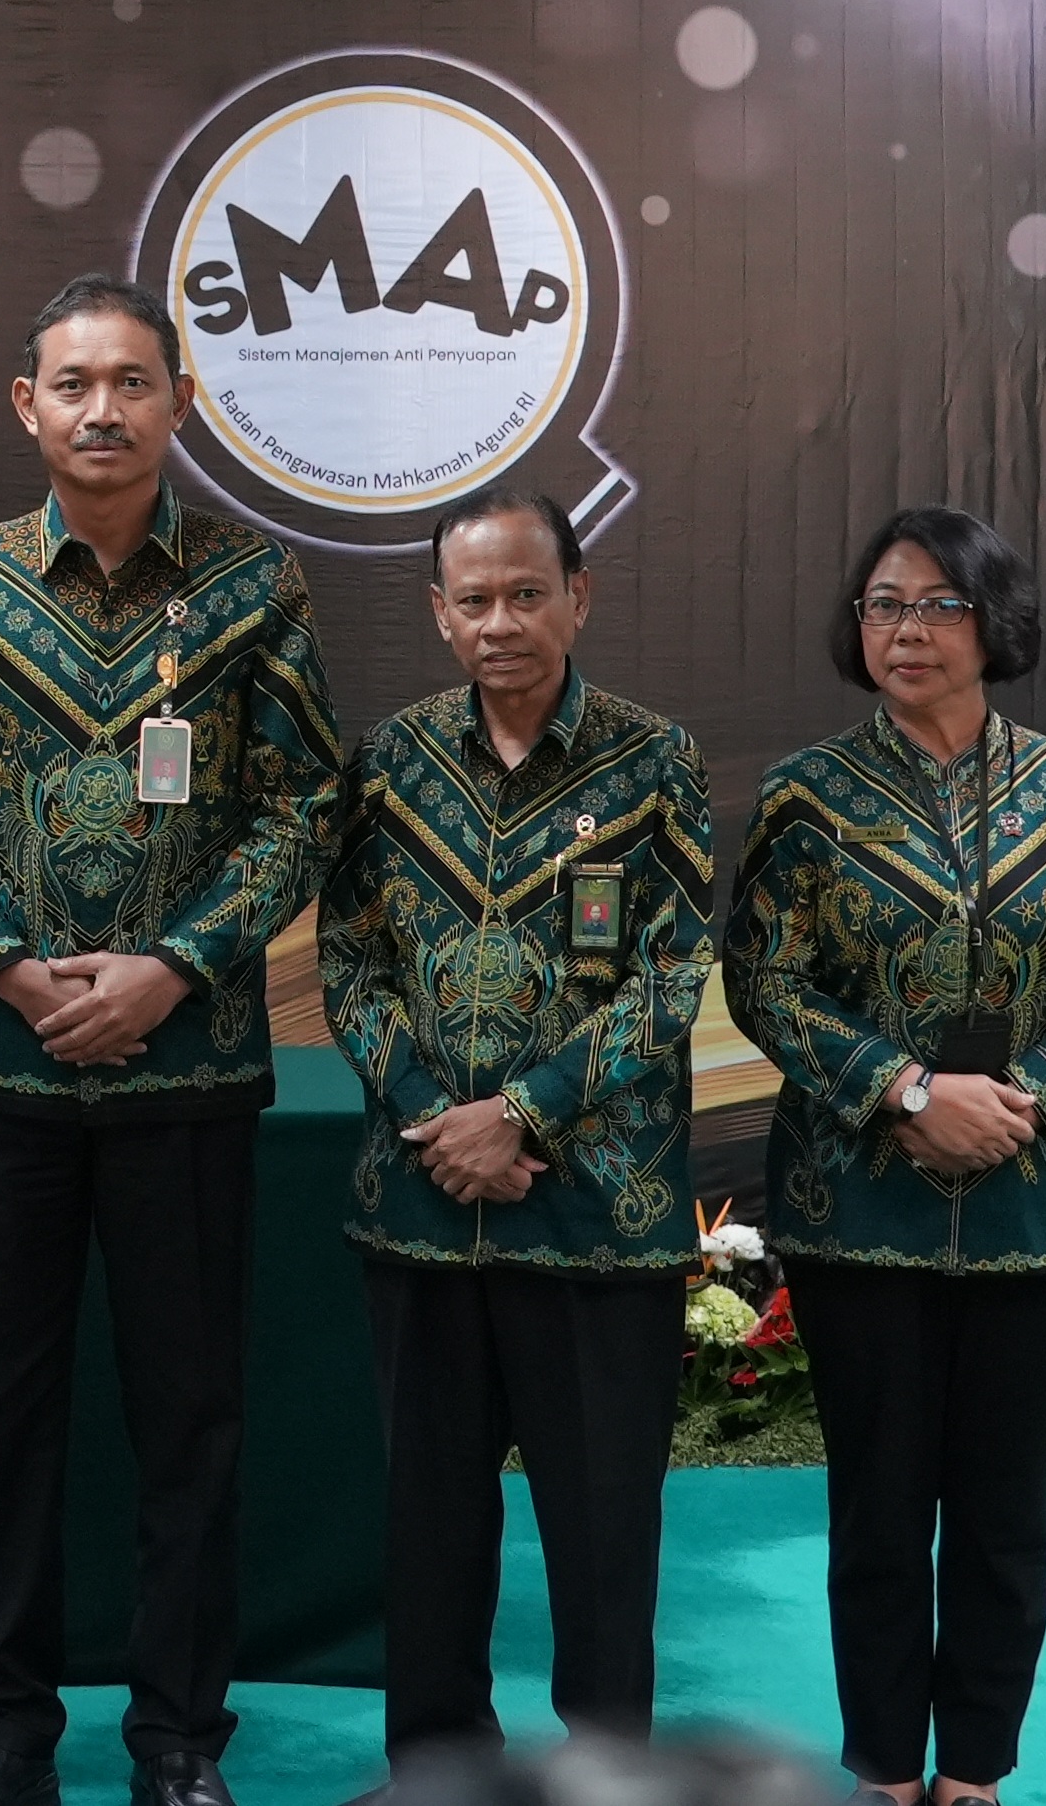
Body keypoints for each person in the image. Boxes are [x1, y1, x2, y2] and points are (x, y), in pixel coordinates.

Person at [0, 276, 340, 1806]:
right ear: (25, 406)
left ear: (178, 402)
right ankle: (0, 1734)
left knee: (188, 1425)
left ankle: (177, 1741)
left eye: (131, 383)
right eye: (71, 385)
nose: (101, 411)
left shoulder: (254, 585)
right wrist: (5, 969)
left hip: (182, 1075)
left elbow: (303, 809)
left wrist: (172, 969)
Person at [727, 508, 1046, 1806]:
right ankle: (880, 1768)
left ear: (994, 623)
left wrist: (1021, 1098)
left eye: (934, 605)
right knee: (875, 1510)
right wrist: (904, 1090)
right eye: (881, 605)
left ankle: (973, 1771)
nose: (904, 630)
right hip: (860, 1207)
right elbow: (763, 979)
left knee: (1003, 1513)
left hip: (1042, 1208)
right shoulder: (808, 796)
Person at [313, 488, 708, 1781]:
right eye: (473, 600)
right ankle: (435, 1773)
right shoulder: (390, 762)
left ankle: (608, 1778)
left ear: (576, 598)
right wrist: (436, 1121)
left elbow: (670, 977)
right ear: (438, 613)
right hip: (423, 1209)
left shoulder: (654, 761)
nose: (500, 623)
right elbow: (349, 961)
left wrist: (523, 1112)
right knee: (428, 1527)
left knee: (603, 1535)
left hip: (598, 1217)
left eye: (526, 594)